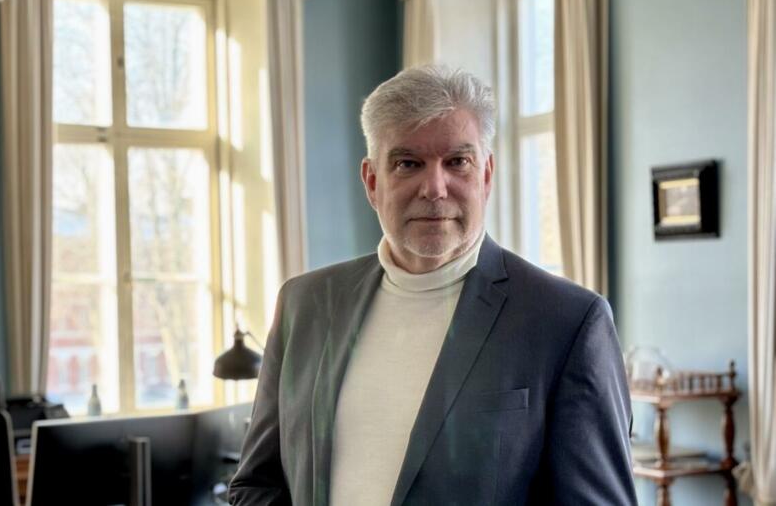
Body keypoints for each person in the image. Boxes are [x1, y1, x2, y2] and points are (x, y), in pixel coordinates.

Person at [228, 65, 636, 505]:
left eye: (457, 162)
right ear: (372, 182)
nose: (435, 188)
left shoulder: (567, 321)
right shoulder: (304, 304)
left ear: (486, 175)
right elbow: (256, 484)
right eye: (408, 164)